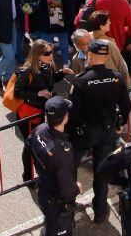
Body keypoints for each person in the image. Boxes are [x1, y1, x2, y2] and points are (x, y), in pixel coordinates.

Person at [69, 39, 131, 224]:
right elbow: (125, 106)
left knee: (71, 168)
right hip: (107, 131)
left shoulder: (81, 81)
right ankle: (100, 211)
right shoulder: (116, 77)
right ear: (105, 56)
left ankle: (69, 209)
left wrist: (70, 132)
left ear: (90, 55)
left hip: (84, 133)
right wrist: (121, 121)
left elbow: (72, 113)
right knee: (101, 173)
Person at [12, 40, 73, 183]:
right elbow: (18, 92)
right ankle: (28, 177)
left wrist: (61, 73)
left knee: (37, 144)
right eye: (47, 53)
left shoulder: (48, 65)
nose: (51, 55)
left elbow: (50, 80)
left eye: (51, 51)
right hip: (28, 114)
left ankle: (39, 172)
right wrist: (37, 93)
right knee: (30, 146)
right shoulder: (27, 71)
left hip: (40, 112)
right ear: (37, 54)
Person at [29, 96, 79, 236]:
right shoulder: (63, 151)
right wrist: (76, 188)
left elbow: (29, 148)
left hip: (44, 187)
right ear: (65, 118)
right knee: (57, 228)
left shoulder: (39, 130)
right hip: (56, 201)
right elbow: (66, 188)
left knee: (50, 220)